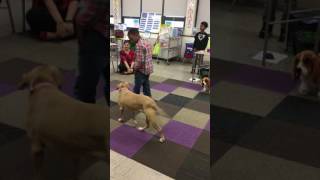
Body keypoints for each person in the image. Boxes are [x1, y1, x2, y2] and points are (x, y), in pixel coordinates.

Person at [74, 0, 108, 105]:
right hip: (107, 37)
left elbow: (82, 18)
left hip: (95, 40)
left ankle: (87, 119)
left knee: (85, 89)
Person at [127, 28, 153, 97]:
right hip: (148, 68)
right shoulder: (146, 40)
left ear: (135, 35)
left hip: (141, 70)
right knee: (146, 84)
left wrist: (133, 69)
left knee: (137, 86)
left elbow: (139, 61)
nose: (131, 41)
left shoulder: (139, 45)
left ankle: (134, 100)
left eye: (131, 38)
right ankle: (149, 99)